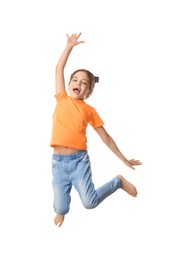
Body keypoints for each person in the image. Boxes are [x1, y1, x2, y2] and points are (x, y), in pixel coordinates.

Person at [50, 33, 142, 227]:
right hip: (58, 163)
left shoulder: (90, 111)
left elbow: (106, 138)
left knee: (89, 203)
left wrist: (123, 159)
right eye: (75, 80)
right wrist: (69, 47)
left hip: (78, 162)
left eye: (84, 83)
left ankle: (117, 182)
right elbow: (59, 68)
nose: (78, 84)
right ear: (68, 84)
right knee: (60, 207)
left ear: (89, 92)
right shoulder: (62, 98)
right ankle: (62, 212)